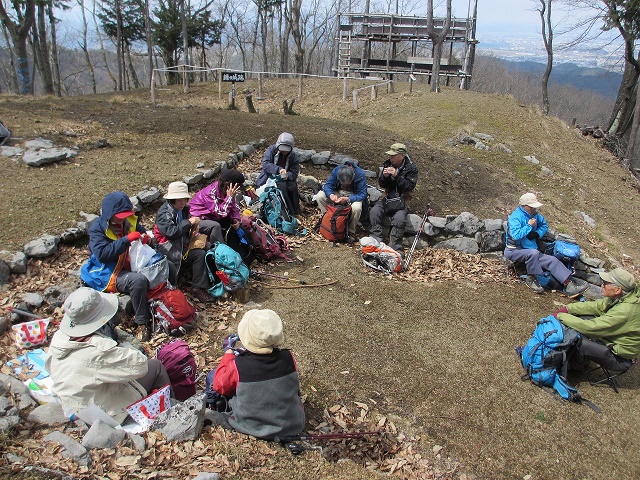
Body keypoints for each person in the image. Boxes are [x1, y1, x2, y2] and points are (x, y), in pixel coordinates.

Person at [45, 288, 172, 424]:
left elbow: (49, 367)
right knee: (155, 366)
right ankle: (173, 411)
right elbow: (140, 365)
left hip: (75, 403)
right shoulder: (97, 350)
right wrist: (122, 345)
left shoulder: (60, 337)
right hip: (104, 415)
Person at [206, 309, 305, 440]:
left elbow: (220, 386)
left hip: (252, 427)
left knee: (212, 377)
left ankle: (212, 406)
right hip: (292, 425)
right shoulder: (288, 357)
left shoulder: (239, 365)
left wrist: (228, 354)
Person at [81, 191, 156, 341]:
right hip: (108, 271)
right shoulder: (98, 229)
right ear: (109, 214)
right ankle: (142, 322)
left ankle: (164, 306)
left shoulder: (129, 221)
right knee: (138, 281)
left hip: (131, 262)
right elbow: (102, 255)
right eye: (120, 216)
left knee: (164, 265)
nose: (123, 219)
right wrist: (126, 240)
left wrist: (147, 239)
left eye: (125, 215)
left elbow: (142, 233)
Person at [554, 268, 640, 372]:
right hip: (611, 341)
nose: (602, 285)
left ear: (618, 290)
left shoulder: (625, 310)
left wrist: (560, 316)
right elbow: (597, 306)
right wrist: (568, 309)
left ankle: (574, 367)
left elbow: (591, 328)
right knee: (581, 318)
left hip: (620, 358)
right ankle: (578, 359)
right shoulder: (624, 296)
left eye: (605, 283)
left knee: (578, 341)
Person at [504, 192, 588, 297]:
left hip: (532, 252)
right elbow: (516, 236)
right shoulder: (515, 218)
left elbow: (544, 226)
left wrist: (537, 233)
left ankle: (569, 286)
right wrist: (529, 226)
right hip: (514, 250)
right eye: (531, 207)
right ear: (524, 206)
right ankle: (531, 279)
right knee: (533, 253)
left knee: (552, 260)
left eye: (535, 207)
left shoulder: (535, 215)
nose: (534, 209)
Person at [154, 181, 213, 304]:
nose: (182, 203)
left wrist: (194, 227)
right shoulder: (164, 214)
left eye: (184, 199)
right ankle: (198, 288)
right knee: (199, 254)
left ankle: (212, 281)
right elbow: (171, 233)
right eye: (179, 200)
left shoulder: (184, 209)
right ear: (172, 199)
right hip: (169, 248)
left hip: (182, 243)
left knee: (208, 247)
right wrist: (188, 223)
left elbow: (186, 225)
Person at [368, 143, 418, 254]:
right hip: (387, 199)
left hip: (402, 201)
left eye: (393, 156)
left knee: (399, 219)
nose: (390, 158)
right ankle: (375, 240)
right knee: (374, 212)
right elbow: (382, 184)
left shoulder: (411, 168)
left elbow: (409, 186)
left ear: (402, 155)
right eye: (390, 155)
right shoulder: (388, 164)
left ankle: (395, 246)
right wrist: (385, 177)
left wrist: (396, 176)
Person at [189, 168, 245, 245]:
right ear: (228, 185)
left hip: (212, 216)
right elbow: (220, 213)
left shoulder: (227, 191)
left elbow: (234, 206)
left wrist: (235, 218)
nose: (236, 190)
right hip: (198, 218)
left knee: (234, 223)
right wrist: (229, 197)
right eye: (236, 187)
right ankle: (219, 248)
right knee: (216, 226)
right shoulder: (210, 193)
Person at [316, 161, 369, 238]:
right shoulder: (337, 170)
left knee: (356, 208)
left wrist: (348, 199)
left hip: (353, 195)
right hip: (338, 192)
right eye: (342, 183)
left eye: (347, 183)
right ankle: (328, 220)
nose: (344, 185)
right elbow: (328, 185)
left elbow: (362, 194)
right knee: (320, 196)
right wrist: (331, 195)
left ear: (353, 177)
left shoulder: (360, 174)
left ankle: (350, 230)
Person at [256, 132, 301, 215]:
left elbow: (294, 173)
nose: (284, 151)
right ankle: (288, 211)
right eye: (282, 149)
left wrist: (287, 175)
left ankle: (296, 210)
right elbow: (266, 165)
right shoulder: (271, 150)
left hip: (285, 179)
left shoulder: (293, 156)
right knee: (282, 187)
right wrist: (279, 169)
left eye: (287, 150)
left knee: (292, 187)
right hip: (269, 177)